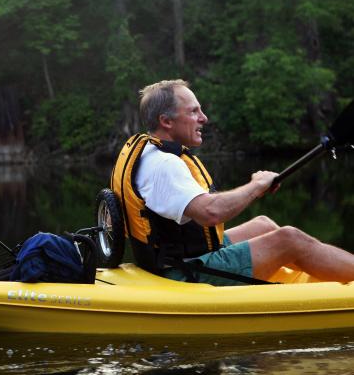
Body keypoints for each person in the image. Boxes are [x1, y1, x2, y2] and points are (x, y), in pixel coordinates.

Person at [110, 79, 354, 285]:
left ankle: (332, 272)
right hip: (181, 272)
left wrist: (254, 189)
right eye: (194, 111)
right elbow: (210, 212)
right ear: (166, 121)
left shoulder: (148, 152)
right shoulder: (165, 164)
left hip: (171, 256)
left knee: (264, 225)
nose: (203, 118)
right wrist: (255, 186)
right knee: (289, 238)